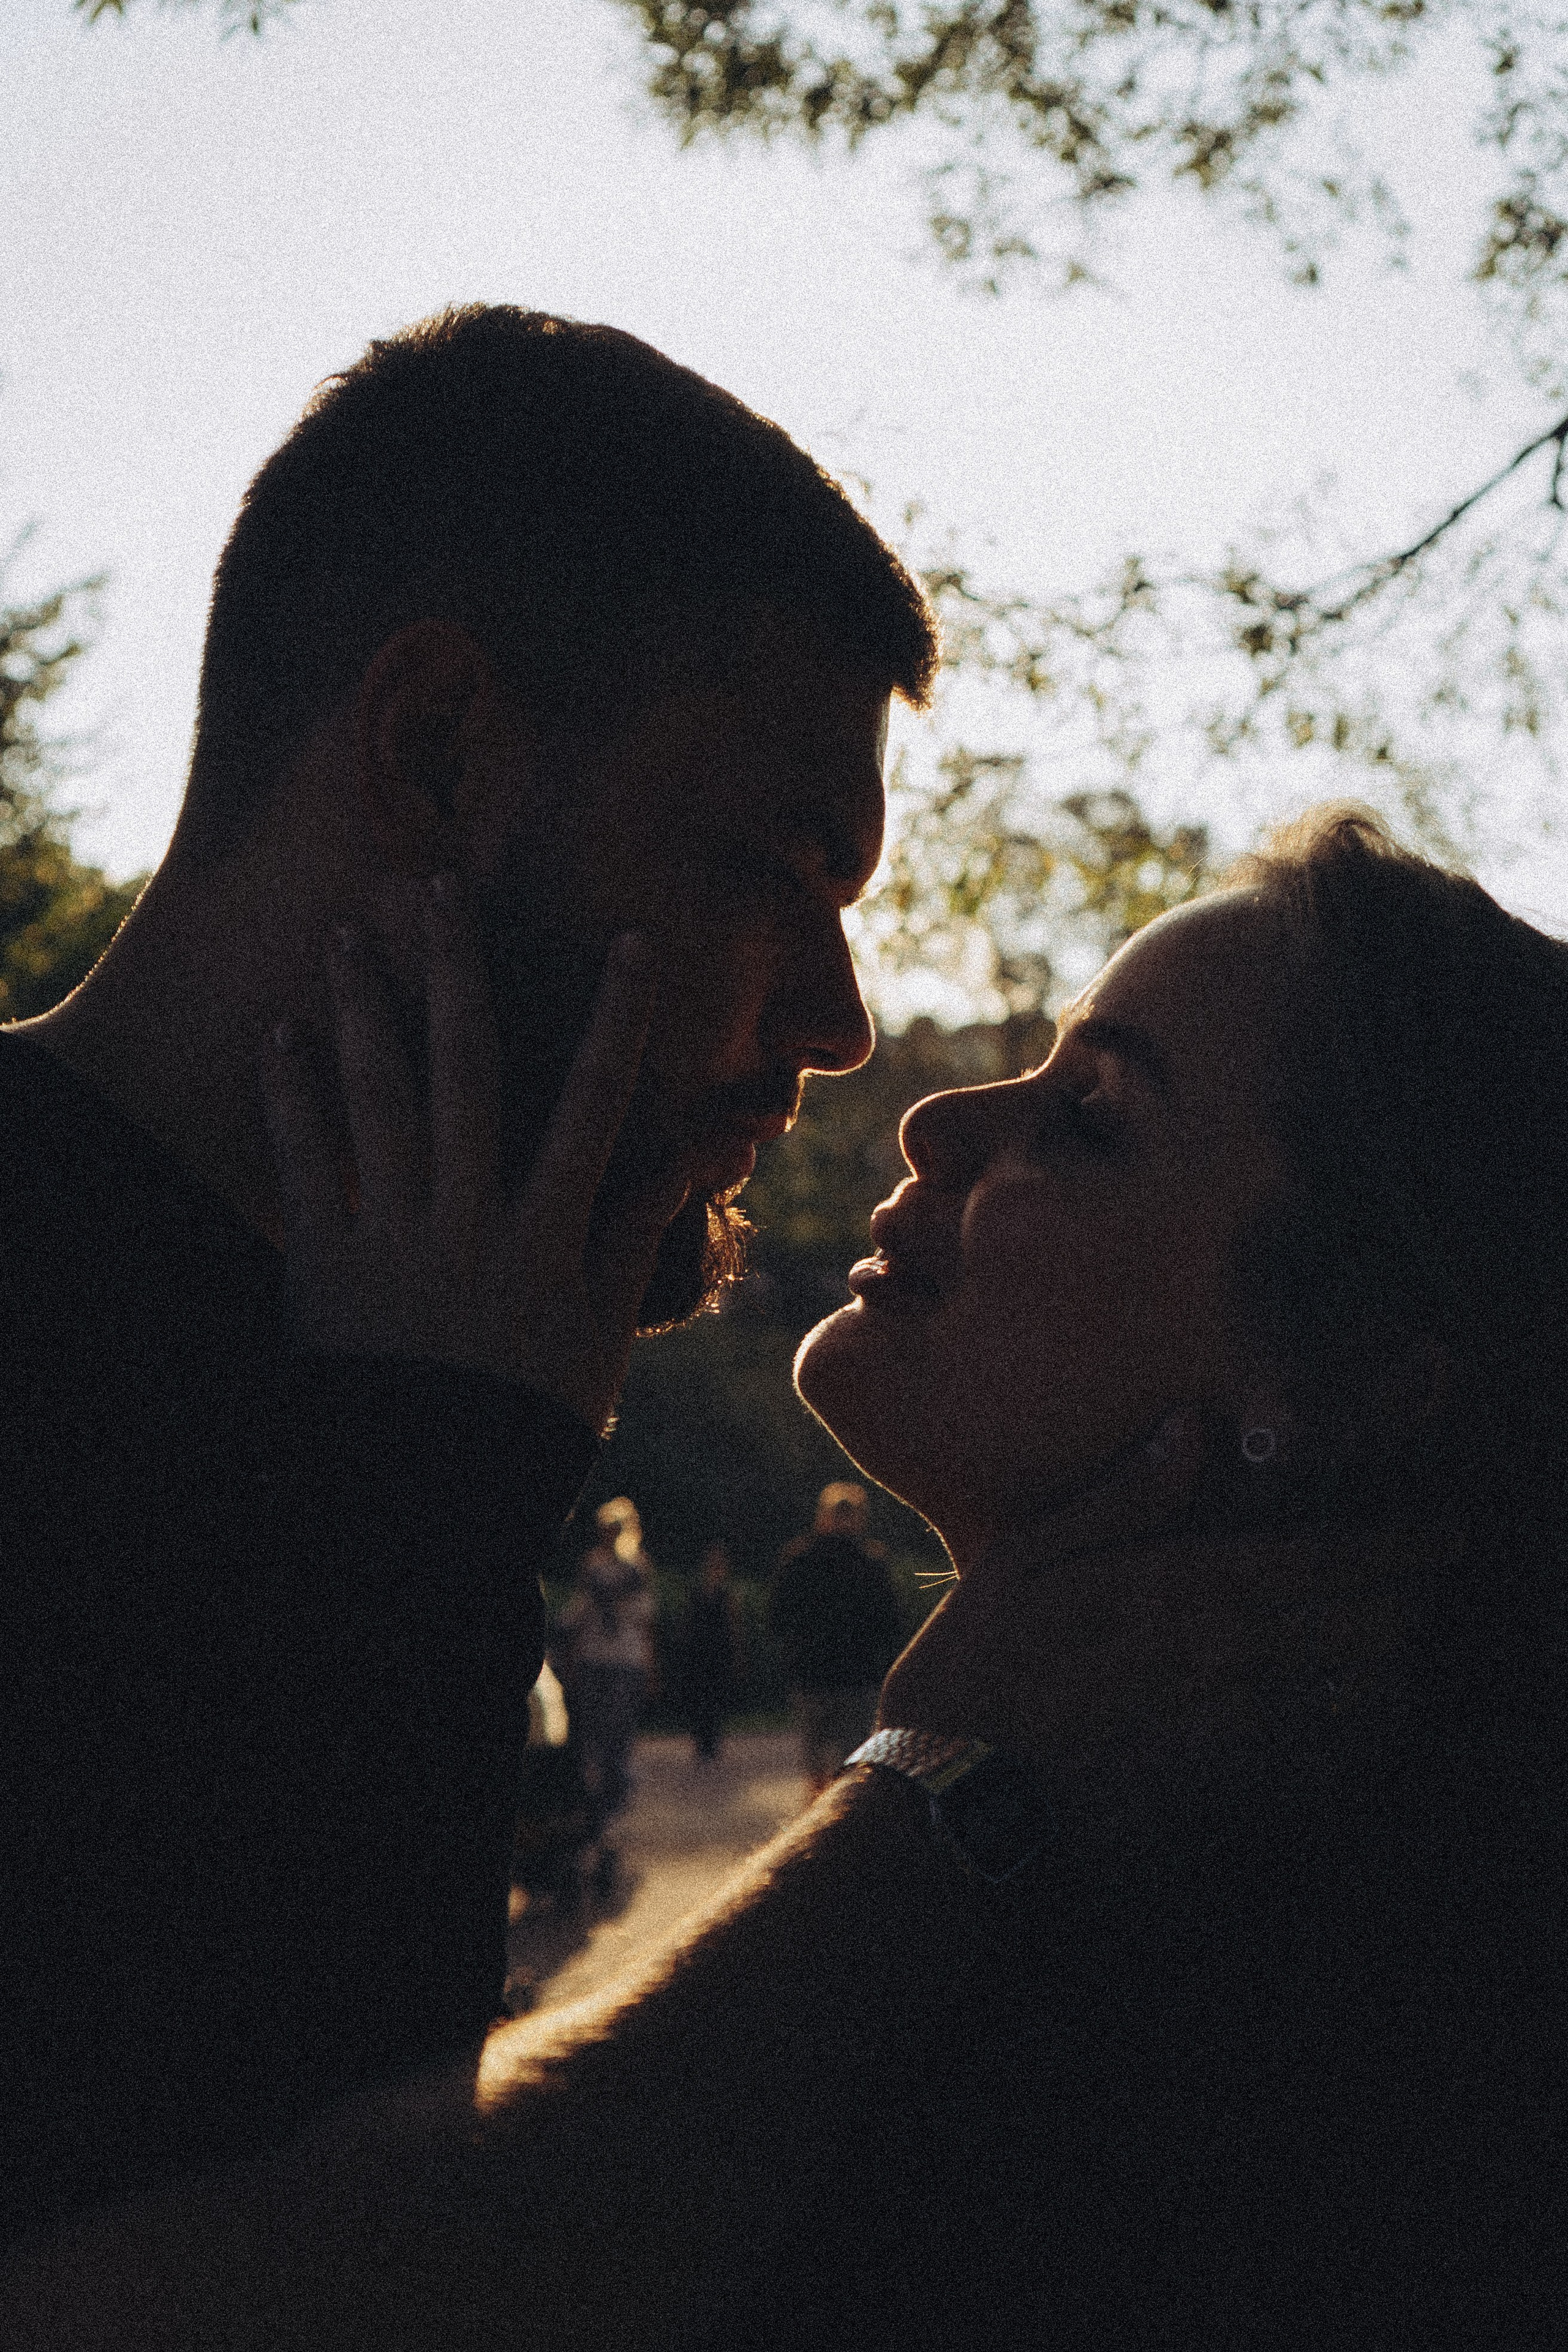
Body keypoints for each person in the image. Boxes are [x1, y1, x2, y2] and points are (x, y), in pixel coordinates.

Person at [10, 802, 1564, 2347]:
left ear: (1347, 1376)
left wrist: (938, 1789)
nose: (930, 1117)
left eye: (1087, 1113)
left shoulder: (1328, 2035)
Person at [0, 301, 937, 2247]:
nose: (843, 1023)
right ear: (431, 746)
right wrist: (417, 1502)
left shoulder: (406, 1377)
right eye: (772, 864)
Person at [771, 1482, 904, 1791]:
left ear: (822, 1517)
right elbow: (891, 1624)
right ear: (860, 1519)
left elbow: (778, 1618)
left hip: (811, 1674)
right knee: (854, 1763)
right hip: (859, 1677)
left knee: (815, 1764)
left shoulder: (798, 1559)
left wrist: (793, 1653)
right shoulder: (873, 1562)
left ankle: (818, 1823)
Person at [555, 1499, 657, 1883]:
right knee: (592, 1745)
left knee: (614, 1745)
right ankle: (596, 1821)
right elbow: (580, 1616)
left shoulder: (635, 1569)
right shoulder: (595, 1568)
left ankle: (607, 1821)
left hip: (621, 1663)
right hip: (598, 1662)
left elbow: (644, 1621)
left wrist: (649, 1667)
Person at [682, 1540, 742, 1763]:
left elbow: (733, 1625)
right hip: (700, 1651)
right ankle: (701, 1741)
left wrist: (736, 1654)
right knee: (699, 1696)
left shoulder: (727, 1594)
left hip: (720, 1652)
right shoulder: (697, 1592)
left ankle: (713, 1741)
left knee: (716, 1697)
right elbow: (689, 1622)